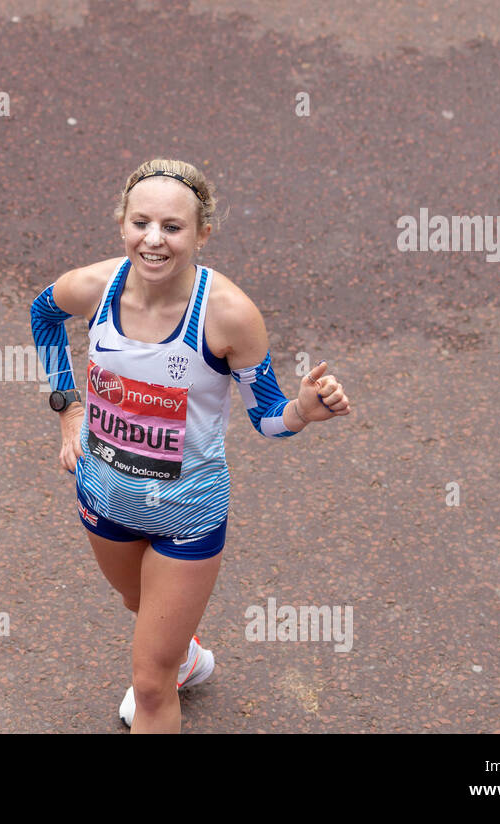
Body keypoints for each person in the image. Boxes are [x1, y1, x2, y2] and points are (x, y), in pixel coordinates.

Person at [29, 158, 352, 733]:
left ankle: (170, 667)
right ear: (122, 223)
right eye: (141, 223)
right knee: (141, 610)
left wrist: (302, 412)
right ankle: (189, 657)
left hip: (188, 517)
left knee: (149, 683)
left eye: (173, 228)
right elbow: (43, 314)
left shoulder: (228, 314)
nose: (153, 240)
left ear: (202, 234)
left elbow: (268, 418)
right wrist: (67, 407)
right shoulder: (95, 288)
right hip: (103, 498)